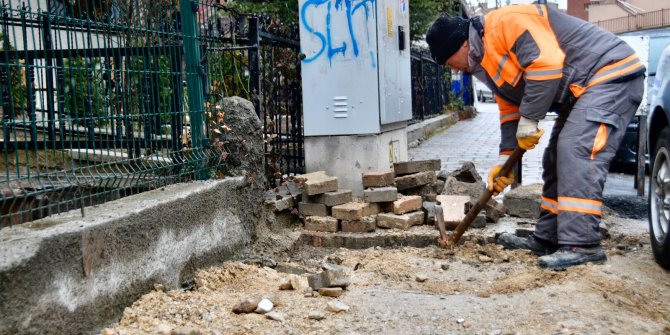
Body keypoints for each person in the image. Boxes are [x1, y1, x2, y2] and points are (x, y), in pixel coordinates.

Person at [426, 4, 645, 269]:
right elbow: (509, 108)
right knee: (554, 159)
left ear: (461, 46)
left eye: (450, 63)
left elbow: (547, 65)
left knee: (575, 150)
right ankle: (548, 238)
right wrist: (506, 163)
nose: (456, 71)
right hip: (581, 90)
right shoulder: (483, 60)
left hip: (610, 74)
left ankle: (582, 244)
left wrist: (530, 118)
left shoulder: (506, 23)